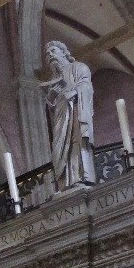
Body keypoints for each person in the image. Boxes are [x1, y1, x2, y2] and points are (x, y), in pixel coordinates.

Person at [40, 40, 96, 190]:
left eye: (53, 51)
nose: (50, 56)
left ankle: (80, 177)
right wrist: (51, 97)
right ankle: (65, 182)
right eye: (47, 55)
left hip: (75, 112)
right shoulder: (53, 80)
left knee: (76, 142)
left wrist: (74, 92)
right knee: (59, 148)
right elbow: (52, 107)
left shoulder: (78, 67)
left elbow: (87, 86)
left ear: (64, 53)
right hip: (61, 119)